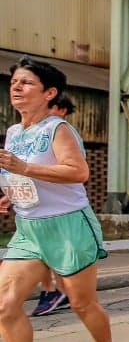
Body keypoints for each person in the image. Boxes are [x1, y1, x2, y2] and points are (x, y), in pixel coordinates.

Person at [0, 57, 124, 342]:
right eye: (14, 83)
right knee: (5, 303)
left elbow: (77, 172)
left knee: (82, 303)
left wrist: (23, 167)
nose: (16, 88)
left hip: (69, 225)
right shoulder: (14, 132)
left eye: (26, 83)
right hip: (29, 230)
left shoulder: (58, 129)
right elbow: (22, 177)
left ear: (49, 92)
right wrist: (8, 196)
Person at [30, 92, 76, 316]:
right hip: (37, 208)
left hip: (60, 208)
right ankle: (57, 292)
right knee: (46, 252)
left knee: (51, 253)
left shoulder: (65, 134)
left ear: (62, 111)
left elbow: (74, 171)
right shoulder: (36, 132)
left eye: (51, 108)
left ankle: (55, 292)